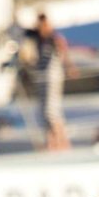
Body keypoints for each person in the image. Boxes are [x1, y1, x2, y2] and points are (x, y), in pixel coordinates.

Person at [26, 12, 74, 151]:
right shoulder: (36, 38)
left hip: (52, 78)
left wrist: (69, 67)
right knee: (44, 111)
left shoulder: (54, 38)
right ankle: (51, 142)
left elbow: (64, 53)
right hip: (41, 78)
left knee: (51, 110)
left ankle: (61, 142)